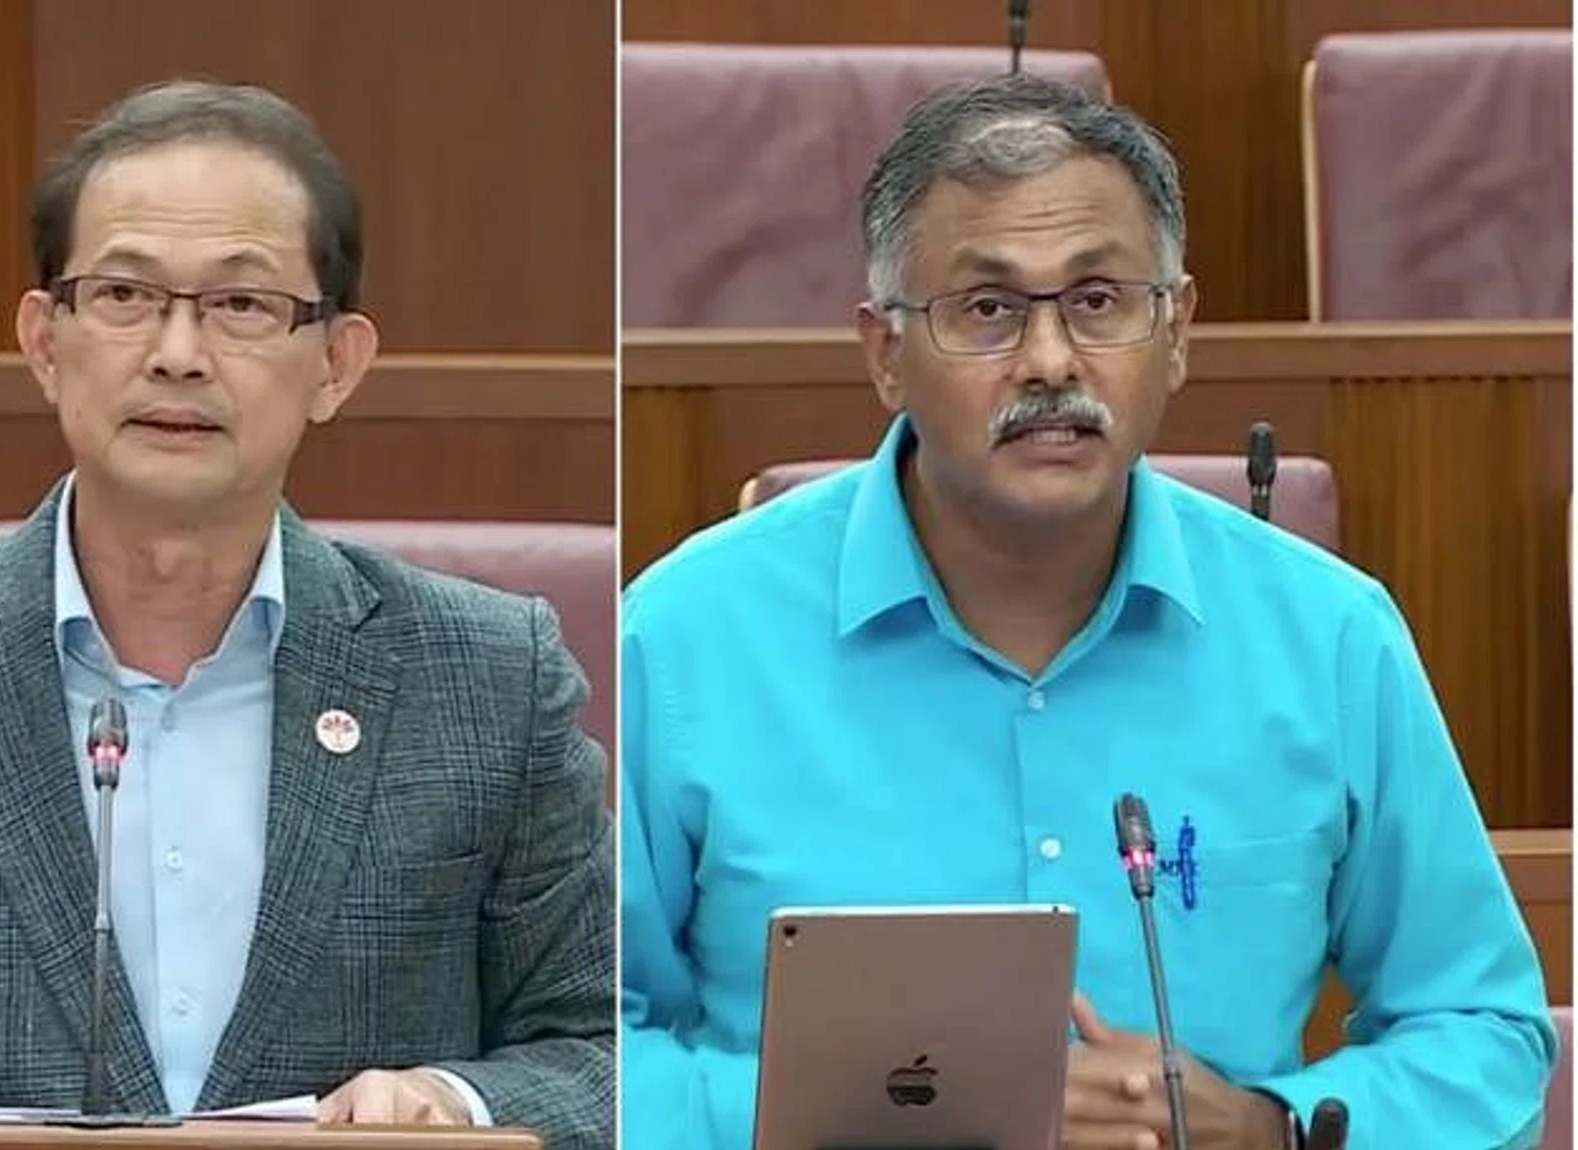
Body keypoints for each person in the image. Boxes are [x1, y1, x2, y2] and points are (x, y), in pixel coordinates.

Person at [0, 80, 613, 1150]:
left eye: (242, 305)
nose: (177, 351)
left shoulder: (491, 676)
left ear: (336, 365)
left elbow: (599, 1046)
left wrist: (457, 1105)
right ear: (44, 340)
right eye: (123, 295)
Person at [619, 73, 1554, 1150]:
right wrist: (855, 1119)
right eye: (988, 310)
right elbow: (588, 1043)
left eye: (1100, 301)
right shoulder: (687, 639)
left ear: (1178, 330)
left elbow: (1484, 1034)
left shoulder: (1331, 636)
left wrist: (1270, 1130)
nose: (1052, 361)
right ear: (885, 353)